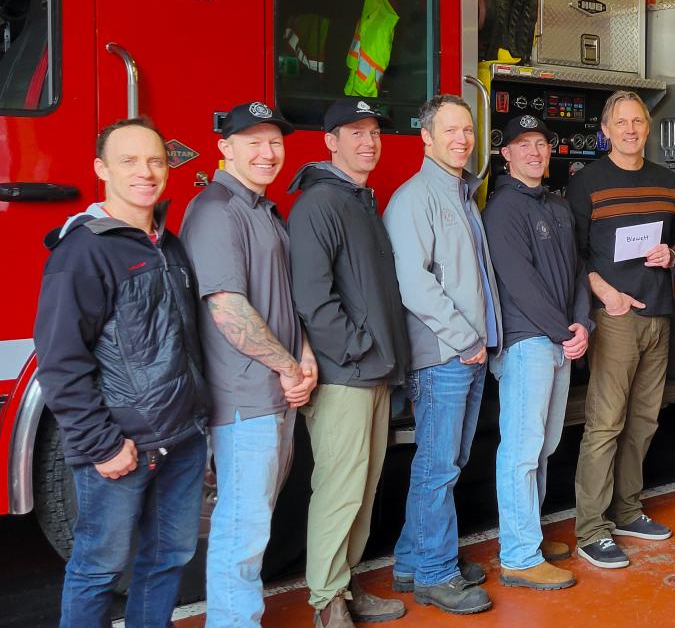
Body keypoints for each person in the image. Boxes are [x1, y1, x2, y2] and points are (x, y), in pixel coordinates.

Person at [34, 119, 208, 628]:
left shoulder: (168, 245)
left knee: (168, 559)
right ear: (101, 169)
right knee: (99, 569)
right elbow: (61, 360)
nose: (146, 172)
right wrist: (100, 444)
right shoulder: (83, 251)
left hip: (182, 438)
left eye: (156, 160)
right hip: (123, 445)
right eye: (129, 161)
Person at [181, 101, 319, 626]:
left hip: (274, 394)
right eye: (254, 142)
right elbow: (227, 308)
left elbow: (280, 298)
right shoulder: (217, 209)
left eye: (275, 142)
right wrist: (287, 366)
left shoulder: (263, 209)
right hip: (244, 398)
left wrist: (302, 355)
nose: (267, 152)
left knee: (252, 522)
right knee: (242, 529)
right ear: (224, 148)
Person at [287, 99, 410, 627]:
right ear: (329, 141)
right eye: (354, 132)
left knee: (362, 488)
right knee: (340, 491)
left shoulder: (359, 199)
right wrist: (360, 349)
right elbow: (314, 300)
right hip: (347, 375)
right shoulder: (320, 204)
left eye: (373, 132)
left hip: (373, 371)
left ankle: (345, 588)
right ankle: (327, 604)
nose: (368, 141)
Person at [384, 94, 499, 614]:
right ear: (425, 138)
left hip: (465, 352)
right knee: (438, 467)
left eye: (468, 131)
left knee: (443, 461)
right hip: (446, 355)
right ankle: (435, 572)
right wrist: (467, 340)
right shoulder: (414, 199)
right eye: (450, 130)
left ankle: (414, 559)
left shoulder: (460, 194)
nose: (462, 139)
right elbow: (416, 284)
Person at [568, 91, 675, 569]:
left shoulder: (666, 181)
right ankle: (591, 529)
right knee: (605, 423)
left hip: (657, 314)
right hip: (615, 317)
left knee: (643, 421)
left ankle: (627, 509)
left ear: (648, 128)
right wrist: (603, 293)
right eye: (622, 122)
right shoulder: (586, 183)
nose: (632, 129)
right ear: (606, 129)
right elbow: (573, 256)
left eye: (639, 121)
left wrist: (672, 256)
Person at [483, 114, 593, 590]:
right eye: (523, 144)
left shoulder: (556, 204)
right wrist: (563, 329)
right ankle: (519, 555)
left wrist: (582, 323)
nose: (534, 152)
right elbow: (518, 281)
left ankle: (530, 534)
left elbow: (577, 270)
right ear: (505, 154)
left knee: (545, 447)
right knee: (522, 451)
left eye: (542, 144)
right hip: (528, 342)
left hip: (558, 340)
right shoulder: (503, 209)